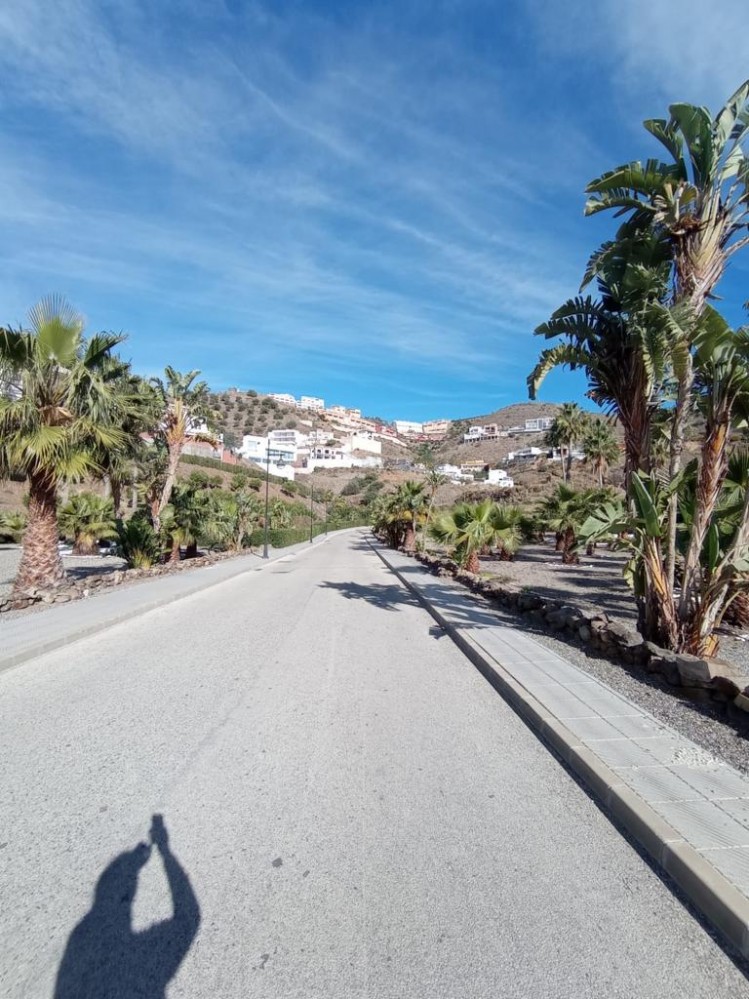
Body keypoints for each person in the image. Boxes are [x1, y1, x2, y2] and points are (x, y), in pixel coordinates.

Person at [54, 814, 200, 999]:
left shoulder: (83, 935)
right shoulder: (82, 935)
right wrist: (165, 850)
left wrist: (164, 851)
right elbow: (188, 920)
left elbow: (189, 921)